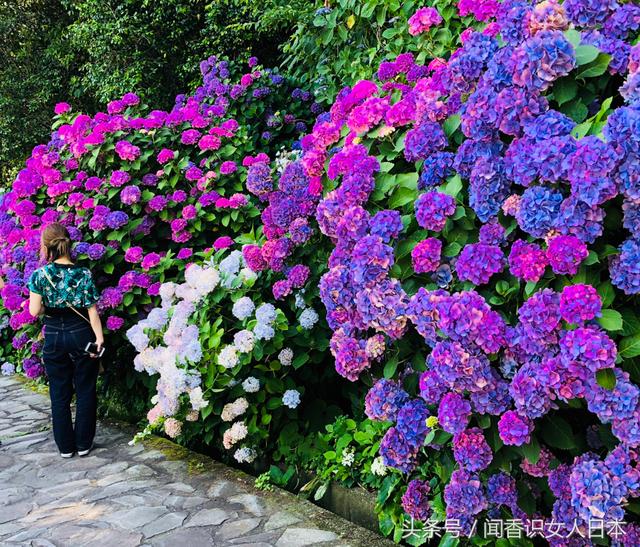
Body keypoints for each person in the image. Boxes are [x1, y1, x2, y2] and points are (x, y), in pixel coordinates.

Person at [28, 223, 104, 458]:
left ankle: (65, 448)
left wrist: (47, 307)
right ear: (67, 243)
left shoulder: (39, 275)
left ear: (45, 246)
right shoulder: (83, 274)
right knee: (85, 389)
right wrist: (99, 339)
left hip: (53, 333)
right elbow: (92, 311)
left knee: (59, 392)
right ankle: (83, 444)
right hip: (81, 333)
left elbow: (33, 311)